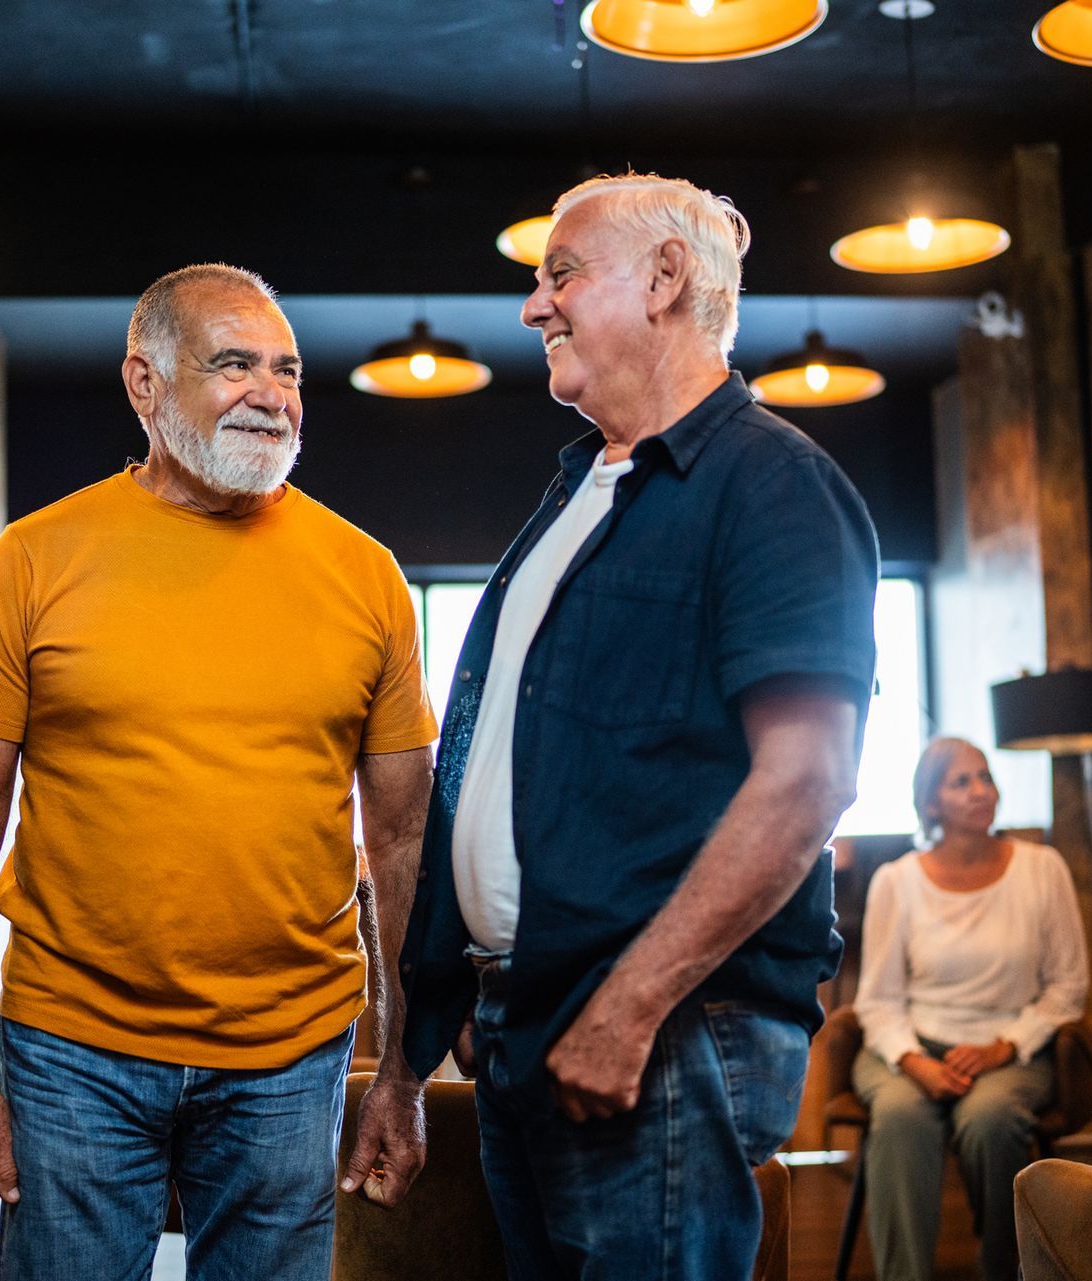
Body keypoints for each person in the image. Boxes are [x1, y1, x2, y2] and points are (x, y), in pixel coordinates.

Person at [0, 263, 439, 1280]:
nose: (273, 393)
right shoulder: (34, 559)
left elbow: (406, 835)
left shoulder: (365, 573)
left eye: (285, 370)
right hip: (73, 1046)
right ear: (144, 384)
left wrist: (405, 1075)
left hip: (292, 1052)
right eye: (233, 364)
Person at [397, 173, 879, 1280]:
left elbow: (808, 777)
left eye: (560, 274)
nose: (533, 308)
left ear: (666, 280)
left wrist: (629, 1005)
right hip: (538, 1018)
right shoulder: (579, 493)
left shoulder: (773, 484)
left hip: (664, 1031)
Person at [851, 737, 1089, 1281]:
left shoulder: (1042, 868)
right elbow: (878, 1002)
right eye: (962, 782)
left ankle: (1003, 1270)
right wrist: (916, 1063)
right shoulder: (897, 882)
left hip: (1010, 1049)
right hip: (910, 1047)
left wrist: (1002, 1048)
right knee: (899, 1117)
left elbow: (1068, 987)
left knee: (990, 1118)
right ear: (931, 802)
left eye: (986, 777)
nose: (983, 791)